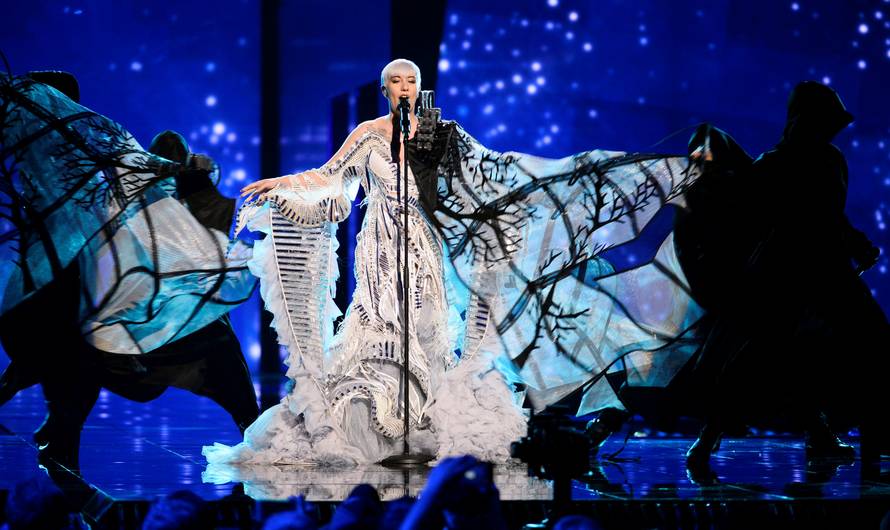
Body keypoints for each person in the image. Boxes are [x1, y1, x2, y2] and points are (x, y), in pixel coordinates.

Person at [203, 59, 705, 468]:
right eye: (395, 81)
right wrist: (285, 185)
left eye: (411, 81)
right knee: (378, 327)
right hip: (380, 248)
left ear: (421, 87)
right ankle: (374, 427)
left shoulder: (444, 134)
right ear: (384, 89)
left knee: (427, 330)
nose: (404, 87)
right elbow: (331, 177)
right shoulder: (368, 134)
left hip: (426, 246)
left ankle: (421, 424)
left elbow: (490, 173)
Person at [0, 71, 258, 469]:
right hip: (107, 264)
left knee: (216, 348)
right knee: (81, 327)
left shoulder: (99, 150)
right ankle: (61, 424)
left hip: (149, 270)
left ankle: (251, 426)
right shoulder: (80, 158)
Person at [683, 81, 887, 468]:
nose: (831, 129)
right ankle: (710, 436)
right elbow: (750, 219)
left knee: (864, 345)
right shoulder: (773, 165)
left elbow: (830, 216)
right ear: (803, 119)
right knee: (764, 357)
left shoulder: (827, 160)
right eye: (824, 121)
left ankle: (830, 434)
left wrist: (856, 243)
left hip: (823, 273)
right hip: (783, 275)